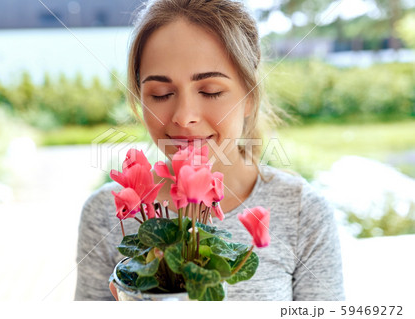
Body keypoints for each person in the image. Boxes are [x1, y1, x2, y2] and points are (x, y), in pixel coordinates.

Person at [75, 0, 344, 301]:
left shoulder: (301, 213)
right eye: (161, 94)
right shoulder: (104, 213)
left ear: (251, 95)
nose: (184, 116)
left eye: (210, 91)